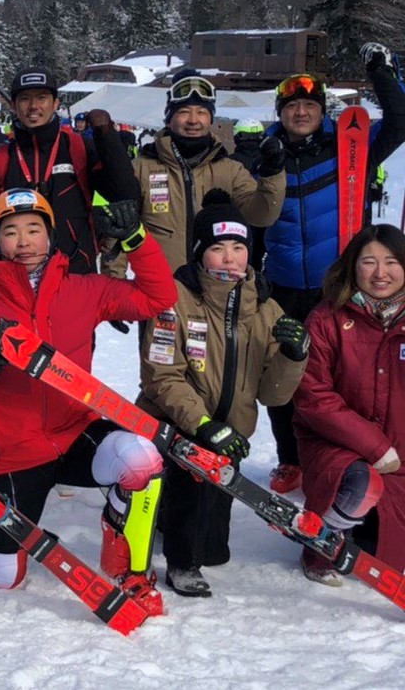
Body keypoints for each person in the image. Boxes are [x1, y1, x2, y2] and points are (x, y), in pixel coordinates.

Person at [0, 188, 177, 615]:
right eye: (10, 232)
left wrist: (136, 240)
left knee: (142, 459)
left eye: (34, 229)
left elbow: (157, 298)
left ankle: (126, 571)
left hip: (76, 430)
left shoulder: (84, 289)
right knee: (4, 579)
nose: (23, 242)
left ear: (51, 236)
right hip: (15, 449)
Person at [138, 190, 308, 597]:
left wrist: (293, 355)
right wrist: (201, 423)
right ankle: (181, 561)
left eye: (238, 247)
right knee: (194, 498)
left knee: (215, 549)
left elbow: (274, 395)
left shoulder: (266, 308)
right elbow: (161, 376)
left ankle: (172, 517)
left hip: (229, 435)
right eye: (218, 248)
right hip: (173, 425)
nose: (230, 258)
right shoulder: (173, 299)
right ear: (199, 253)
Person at [261, 48, 405, 494]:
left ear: (322, 111)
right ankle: (291, 460)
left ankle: (343, 457)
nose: (300, 112)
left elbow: (399, 120)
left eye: (309, 105)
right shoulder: (267, 156)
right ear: (281, 113)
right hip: (282, 285)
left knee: (343, 379)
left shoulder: (352, 145)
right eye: (291, 106)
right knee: (283, 373)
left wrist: (380, 71)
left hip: (339, 285)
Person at [294, 224, 405, 585]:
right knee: (361, 484)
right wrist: (375, 446)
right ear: (353, 266)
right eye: (369, 262)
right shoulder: (327, 319)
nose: (380, 273)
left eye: (391, 262)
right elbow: (314, 397)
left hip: (400, 449)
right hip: (335, 444)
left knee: (385, 554)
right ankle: (321, 543)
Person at [103, 70, 286, 285]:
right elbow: (118, 232)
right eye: (183, 112)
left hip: (216, 293)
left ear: (210, 119)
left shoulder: (230, 170)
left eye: (201, 112)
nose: (193, 120)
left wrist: (272, 173)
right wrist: (113, 287)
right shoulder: (141, 168)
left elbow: (262, 215)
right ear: (169, 119)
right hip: (160, 292)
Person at [0, 67, 141, 274]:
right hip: (15, 279)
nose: (34, 106)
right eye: (25, 99)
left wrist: (107, 137)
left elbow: (125, 192)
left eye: (42, 98)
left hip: (75, 273)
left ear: (55, 103)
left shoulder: (79, 148)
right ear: (13, 106)